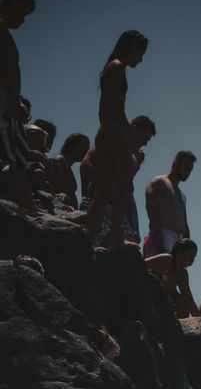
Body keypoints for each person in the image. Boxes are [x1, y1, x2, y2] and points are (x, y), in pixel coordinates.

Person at [84, 29, 148, 249]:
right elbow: (114, 107)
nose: (141, 59)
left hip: (107, 131)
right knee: (126, 188)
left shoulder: (112, 67)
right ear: (131, 47)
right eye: (140, 53)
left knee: (102, 190)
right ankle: (113, 237)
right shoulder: (118, 67)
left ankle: (87, 237)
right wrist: (126, 133)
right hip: (112, 131)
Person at [81, 114, 155, 247]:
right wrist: (100, 189)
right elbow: (86, 166)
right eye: (144, 138)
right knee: (99, 243)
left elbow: (125, 185)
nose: (145, 143)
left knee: (129, 242)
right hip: (98, 204)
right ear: (134, 128)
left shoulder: (131, 158)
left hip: (115, 209)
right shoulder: (110, 143)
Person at [0, 0, 37, 215]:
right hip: (4, 102)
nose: (23, 21)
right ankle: (27, 203)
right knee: (15, 154)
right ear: (11, 4)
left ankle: (27, 202)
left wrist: (16, 99)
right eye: (22, 14)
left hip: (8, 100)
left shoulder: (4, 31)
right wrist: (12, 99)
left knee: (17, 154)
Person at [143, 149, 195, 255]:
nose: (188, 172)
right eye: (186, 168)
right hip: (162, 234)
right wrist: (157, 233)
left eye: (190, 170)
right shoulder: (160, 182)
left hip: (178, 241)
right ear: (176, 163)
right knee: (158, 270)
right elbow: (150, 206)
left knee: (175, 271)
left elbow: (184, 222)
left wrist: (188, 244)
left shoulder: (182, 195)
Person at [146, 237, 199, 317]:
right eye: (190, 255)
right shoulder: (167, 259)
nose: (192, 259)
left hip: (163, 302)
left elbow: (188, 298)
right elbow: (139, 264)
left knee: (182, 302)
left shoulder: (182, 273)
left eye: (194, 257)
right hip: (148, 296)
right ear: (179, 252)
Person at [46, 131, 90, 207]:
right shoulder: (58, 162)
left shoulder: (67, 166)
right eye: (83, 147)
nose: (86, 152)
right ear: (71, 146)